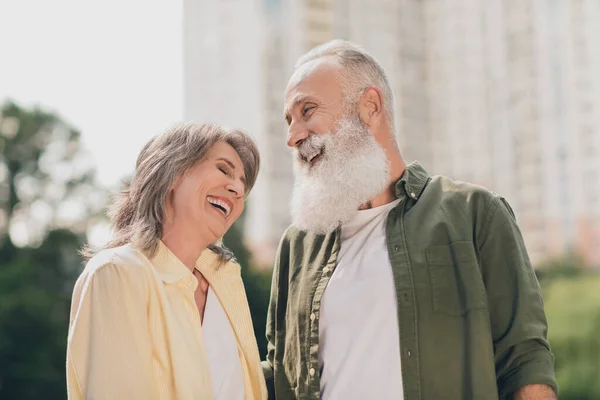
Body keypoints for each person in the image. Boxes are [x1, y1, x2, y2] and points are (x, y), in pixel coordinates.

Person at [262, 40, 558, 400]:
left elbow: (525, 363)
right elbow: (277, 374)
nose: (293, 136)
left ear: (369, 107)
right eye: (289, 121)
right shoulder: (297, 246)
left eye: (307, 111)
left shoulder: (473, 213)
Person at [67, 123, 267, 399]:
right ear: (172, 173)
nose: (237, 189)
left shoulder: (226, 282)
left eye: (243, 184)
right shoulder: (117, 273)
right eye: (223, 169)